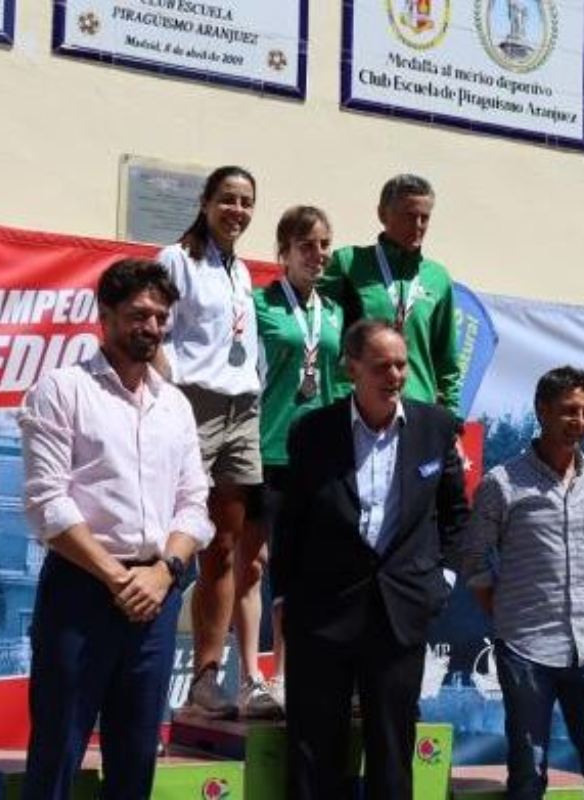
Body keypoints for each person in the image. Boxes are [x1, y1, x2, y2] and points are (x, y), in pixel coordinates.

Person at [18, 259, 214, 800]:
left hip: (156, 596)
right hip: (82, 591)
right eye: (138, 315)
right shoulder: (63, 389)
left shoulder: (174, 404)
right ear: (104, 316)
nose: (151, 327)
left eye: (160, 316)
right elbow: (46, 503)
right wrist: (116, 578)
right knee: (58, 750)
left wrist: (165, 571)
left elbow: (194, 504)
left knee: (136, 757)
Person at [272, 319, 469, 800]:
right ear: (352, 369)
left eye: (401, 365)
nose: (395, 376)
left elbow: (455, 516)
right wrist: (286, 596)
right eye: (382, 366)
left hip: (400, 613)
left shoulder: (436, 428)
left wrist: (438, 582)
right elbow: (291, 520)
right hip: (323, 612)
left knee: (392, 751)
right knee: (314, 751)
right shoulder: (313, 432)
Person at [462, 366, 584, 800]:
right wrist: (506, 614)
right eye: (569, 411)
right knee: (528, 776)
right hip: (526, 650)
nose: (580, 422)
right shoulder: (502, 483)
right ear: (542, 411)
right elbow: (475, 559)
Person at [156, 165, 279, 719]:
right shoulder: (175, 259)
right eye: (227, 199)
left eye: (246, 202)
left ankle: (206, 679)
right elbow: (157, 332)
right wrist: (170, 399)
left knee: (225, 548)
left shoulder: (243, 272)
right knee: (168, 537)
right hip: (193, 404)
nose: (237, 210)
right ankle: (148, 666)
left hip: (241, 411)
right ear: (205, 202)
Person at [253, 205, 346, 704]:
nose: (318, 254)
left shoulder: (332, 312)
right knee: (255, 564)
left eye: (324, 244)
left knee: (302, 569)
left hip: (317, 456)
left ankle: (287, 673)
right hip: (267, 448)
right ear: (283, 251)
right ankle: (250, 673)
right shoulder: (259, 304)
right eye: (307, 245)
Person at [319, 173, 462, 414]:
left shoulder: (438, 278)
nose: (418, 226)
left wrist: (452, 417)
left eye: (424, 218)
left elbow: (446, 362)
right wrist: (337, 394)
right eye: (409, 216)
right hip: (357, 405)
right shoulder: (348, 264)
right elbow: (322, 337)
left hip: (416, 408)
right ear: (383, 214)